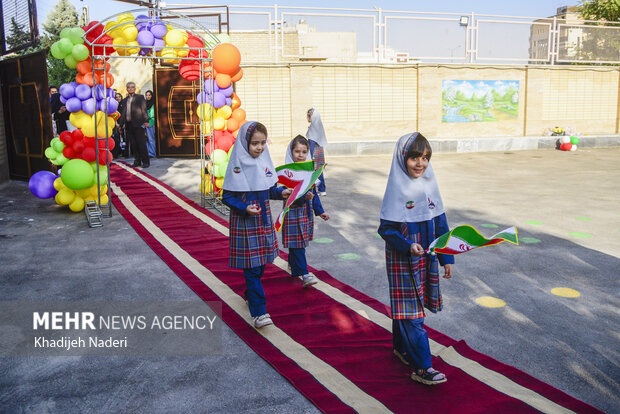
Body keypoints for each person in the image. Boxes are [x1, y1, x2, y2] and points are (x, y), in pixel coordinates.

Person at [378, 132, 454, 386]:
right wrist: (407, 245)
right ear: (402, 158)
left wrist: (447, 260)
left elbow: (441, 224)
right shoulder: (396, 189)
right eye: (414, 158)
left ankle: (401, 348)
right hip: (403, 260)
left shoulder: (430, 186)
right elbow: (386, 230)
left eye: (425, 158)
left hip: (427, 258)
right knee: (412, 314)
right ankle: (422, 366)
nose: (420, 163)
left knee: (407, 310)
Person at [221, 121, 292, 329]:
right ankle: (259, 312)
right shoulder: (236, 164)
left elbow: (268, 189)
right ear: (245, 143)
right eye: (254, 143)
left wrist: (281, 193)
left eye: (262, 143)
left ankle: (249, 293)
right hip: (245, 223)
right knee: (252, 268)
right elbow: (227, 196)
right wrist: (244, 208)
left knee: (260, 265)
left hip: (263, 220)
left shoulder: (263, 162)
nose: (259, 148)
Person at [282, 135, 330, 287]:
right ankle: (304, 273)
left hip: (305, 213)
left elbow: (313, 194)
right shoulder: (287, 173)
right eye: (297, 151)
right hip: (293, 213)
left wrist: (320, 211)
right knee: (298, 243)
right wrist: (303, 198)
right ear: (291, 152)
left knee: (298, 242)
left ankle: (292, 262)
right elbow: (289, 195)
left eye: (304, 152)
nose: (300, 155)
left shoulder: (310, 172)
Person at [118, 82, 150, 168]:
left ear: (135, 89)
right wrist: (121, 125)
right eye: (129, 87)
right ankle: (137, 161)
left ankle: (145, 161)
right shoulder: (124, 100)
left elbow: (144, 109)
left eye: (132, 87)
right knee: (134, 145)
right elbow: (123, 113)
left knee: (141, 144)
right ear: (126, 89)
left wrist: (146, 121)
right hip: (129, 125)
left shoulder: (140, 97)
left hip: (139, 124)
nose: (130, 89)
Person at [306, 108, 327, 196]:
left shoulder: (313, 128)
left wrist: (309, 157)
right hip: (320, 151)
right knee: (319, 171)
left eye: (308, 116)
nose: (307, 118)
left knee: (314, 172)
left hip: (313, 152)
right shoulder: (319, 125)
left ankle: (316, 190)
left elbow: (311, 142)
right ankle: (322, 189)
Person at [145, 90, 157, 158]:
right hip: (144, 123)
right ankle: (148, 152)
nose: (148, 96)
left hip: (150, 123)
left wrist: (148, 122)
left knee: (151, 139)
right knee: (146, 139)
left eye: (149, 95)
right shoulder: (145, 103)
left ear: (152, 96)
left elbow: (152, 115)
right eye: (147, 95)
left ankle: (152, 153)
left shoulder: (153, 104)